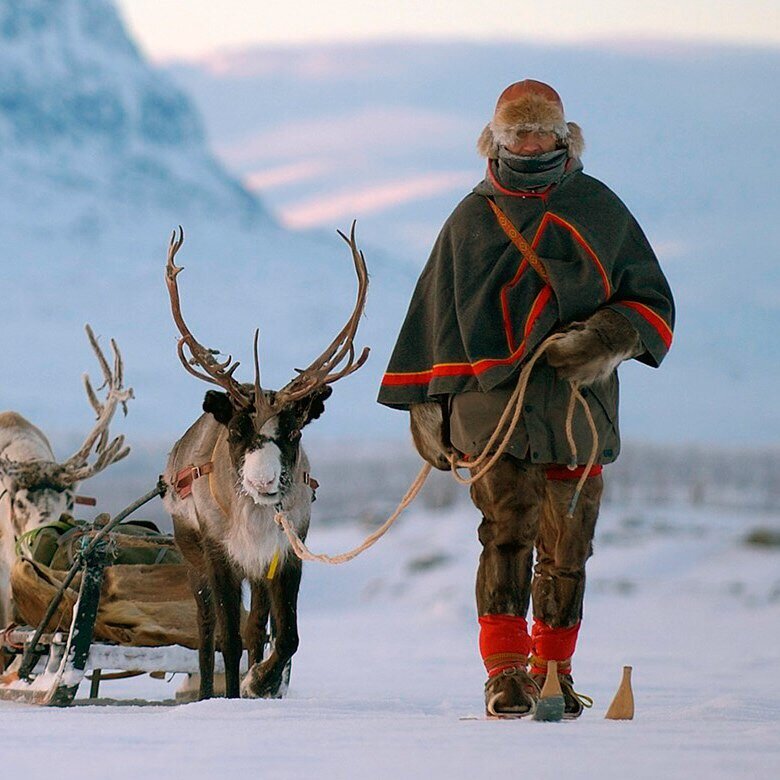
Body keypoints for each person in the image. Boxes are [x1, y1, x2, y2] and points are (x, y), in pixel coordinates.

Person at [377, 80, 674, 718]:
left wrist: (604, 338)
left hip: (575, 405)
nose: (531, 143)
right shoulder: (470, 218)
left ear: (564, 138)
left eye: (542, 133)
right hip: (492, 406)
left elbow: (650, 300)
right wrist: (429, 408)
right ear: (498, 139)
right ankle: (506, 672)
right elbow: (434, 320)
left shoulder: (598, 208)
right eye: (519, 133)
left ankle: (554, 670)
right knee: (505, 530)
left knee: (568, 539)